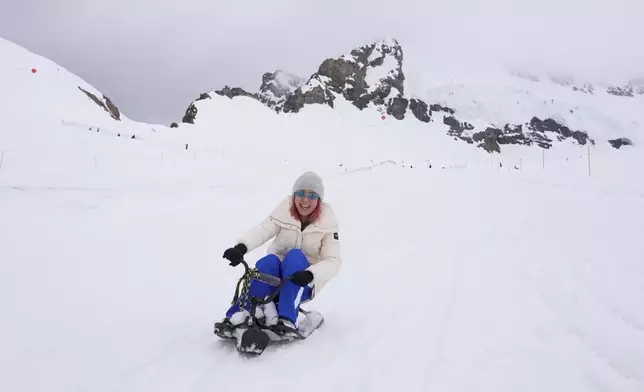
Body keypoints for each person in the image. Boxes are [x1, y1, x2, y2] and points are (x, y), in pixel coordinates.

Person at [220, 171, 341, 336]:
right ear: (294, 195)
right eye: (301, 193)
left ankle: (287, 318)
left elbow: (333, 261)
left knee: (295, 256)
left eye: (312, 195)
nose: (305, 200)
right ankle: (238, 316)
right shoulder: (285, 212)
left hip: (302, 282)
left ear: (318, 200)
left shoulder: (327, 224)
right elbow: (262, 230)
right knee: (268, 261)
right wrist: (241, 248)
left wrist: (310, 274)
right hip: (275, 278)